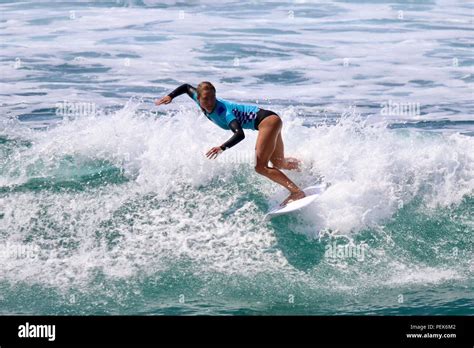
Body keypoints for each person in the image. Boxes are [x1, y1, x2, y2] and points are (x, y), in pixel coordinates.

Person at [155, 81, 305, 205]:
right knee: (278, 163)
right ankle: (305, 166)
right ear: (198, 98)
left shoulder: (223, 112)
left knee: (260, 167)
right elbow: (186, 87)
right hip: (272, 119)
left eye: (212, 98)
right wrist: (170, 96)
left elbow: (240, 134)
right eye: (205, 99)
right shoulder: (197, 97)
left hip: (267, 122)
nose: (209, 102)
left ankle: (296, 192)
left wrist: (222, 147)